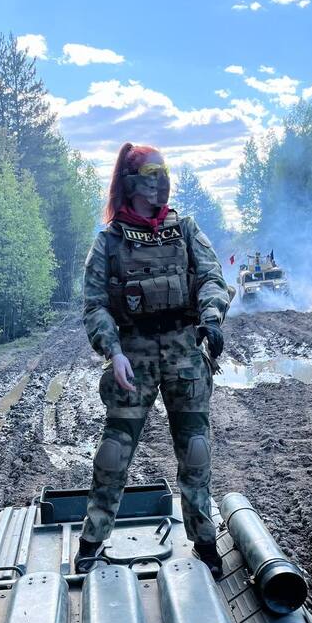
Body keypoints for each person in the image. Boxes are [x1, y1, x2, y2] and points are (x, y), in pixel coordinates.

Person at [76, 142, 231, 578]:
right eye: (151, 173)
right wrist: (114, 351)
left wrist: (212, 318)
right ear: (130, 182)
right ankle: (92, 540)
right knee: (113, 453)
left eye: (164, 172)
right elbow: (94, 305)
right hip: (134, 356)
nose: (161, 181)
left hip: (184, 352)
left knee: (196, 452)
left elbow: (212, 278)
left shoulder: (185, 230)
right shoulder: (109, 240)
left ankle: (205, 542)